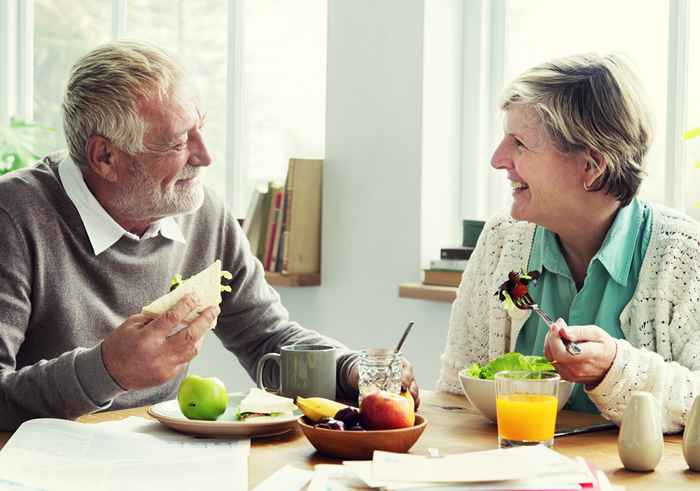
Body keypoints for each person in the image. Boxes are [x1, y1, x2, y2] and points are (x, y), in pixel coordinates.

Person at [0, 41, 418, 431]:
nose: (205, 156)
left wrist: (350, 367)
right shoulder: (13, 218)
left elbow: (266, 336)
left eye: (200, 129)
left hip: (164, 457)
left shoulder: (201, 212)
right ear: (105, 156)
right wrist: (108, 370)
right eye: (180, 141)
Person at [437, 53, 700, 433]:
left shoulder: (685, 254)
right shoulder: (501, 240)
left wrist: (613, 368)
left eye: (520, 143)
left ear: (591, 168)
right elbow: (456, 396)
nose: (498, 159)